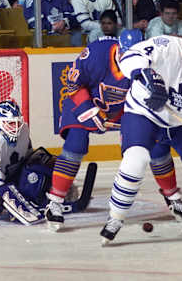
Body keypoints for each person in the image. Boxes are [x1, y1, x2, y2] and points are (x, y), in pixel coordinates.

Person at [100, 22, 182, 245]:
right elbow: (130, 56)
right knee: (136, 159)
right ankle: (115, 218)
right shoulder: (166, 45)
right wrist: (146, 77)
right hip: (144, 113)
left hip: (181, 122)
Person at [44, 29, 144, 231]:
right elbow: (73, 83)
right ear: (119, 48)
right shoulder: (97, 53)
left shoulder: (148, 61)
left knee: (140, 149)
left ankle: (173, 198)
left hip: (122, 110)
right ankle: (54, 202)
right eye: (126, 54)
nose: (129, 59)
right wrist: (88, 110)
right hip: (85, 102)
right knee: (75, 145)